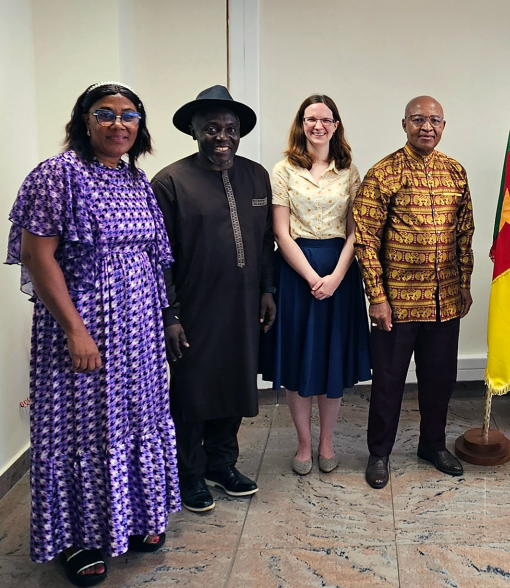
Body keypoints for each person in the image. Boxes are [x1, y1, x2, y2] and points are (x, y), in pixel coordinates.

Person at [6, 82, 179, 587]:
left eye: (130, 115)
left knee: (132, 422)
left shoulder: (135, 179)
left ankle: (134, 517)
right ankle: (75, 538)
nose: (118, 124)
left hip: (138, 334)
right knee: (81, 431)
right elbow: (38, 257)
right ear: (84, 120)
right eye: (105, 113)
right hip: (82, 334)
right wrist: (76, 331)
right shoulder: (57, 176)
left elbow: (152, 256)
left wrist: (164, 317)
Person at [152, 85, 275, 513]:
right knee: (193, 391)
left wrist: (267, 289)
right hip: (194, 306)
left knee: (235, 383)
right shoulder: (170, 181)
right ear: (194, 130)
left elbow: (264, 241)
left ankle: (222, 465)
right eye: (211, 129)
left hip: (243, 305)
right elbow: (159, 258)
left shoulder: (256, 175)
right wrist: (170, 315)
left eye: (230, 129)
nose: (221, 136)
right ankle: (189, 473)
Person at [353, 95, 474, 490]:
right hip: (397, 304)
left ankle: (432, 445)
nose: (427, 127)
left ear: (444, 125)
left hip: (445, 302)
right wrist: (377, 296)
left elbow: (464, 235)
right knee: (388, 382)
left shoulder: (456, 172)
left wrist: (464, 285)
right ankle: (379, 453)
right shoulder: (383, 173)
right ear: (404, 123)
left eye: (435, 120)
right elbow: (366, 241)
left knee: (440, 380)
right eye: (418, 119)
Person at [260, 95, 371, 475]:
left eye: (326, 119)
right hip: (297, 273)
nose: (318, 126)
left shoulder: (349, 171)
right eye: (311, 119)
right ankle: (304, 444)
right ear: (301, 123)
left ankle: (327, 442)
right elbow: (280, 232)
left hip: (339, 269)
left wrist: (337, 276)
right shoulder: (283, 170)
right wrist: (312, 277)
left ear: (336, 125)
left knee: (331, 359)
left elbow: (356, 233)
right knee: (297, 358)